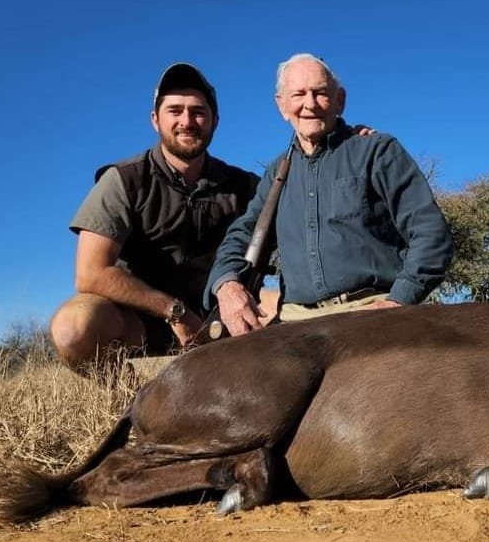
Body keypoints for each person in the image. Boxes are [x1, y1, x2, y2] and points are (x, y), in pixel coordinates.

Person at [205, 53, 453, 334]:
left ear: (340, 100)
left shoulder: (376, 150)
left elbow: (431, 232)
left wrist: (398, 302)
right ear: (282, 106)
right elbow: (242, 235)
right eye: (298, 94)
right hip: (294, 321)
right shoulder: (276, 173)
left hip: (371, 314)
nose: (309, 104)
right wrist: (227, 284)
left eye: (320, 93)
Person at [49, 63, 262, 372]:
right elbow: (90, 274)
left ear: (215, 120)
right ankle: (125, 400)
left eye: (198, 112)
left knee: (292, 307)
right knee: (74, 327)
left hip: (219, 317)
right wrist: (174, 311)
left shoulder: (245, 185)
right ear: (155, 120)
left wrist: (343, 143)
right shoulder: (123, 179)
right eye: (175, 111)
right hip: (141, 321)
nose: (187, 121)